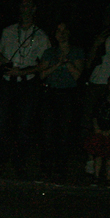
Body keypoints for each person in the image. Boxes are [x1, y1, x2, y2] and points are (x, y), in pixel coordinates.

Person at [0, 0, 51, 176]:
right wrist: (4, 64)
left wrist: (22, 72)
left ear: (34, 9)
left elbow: (44, 64)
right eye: (22, 5)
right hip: (8, 83)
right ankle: (1, 162)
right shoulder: (8, 31)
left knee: (24, 125)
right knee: (3, 123)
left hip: (28, 84)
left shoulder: (41, 35)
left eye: (28, 5)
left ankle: (19, 163)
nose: (25, 8)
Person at [37, 22, 84, 183]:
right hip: (51, 94)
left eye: (64, 31)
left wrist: (67, 62)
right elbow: (42, 75)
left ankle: (60, 170)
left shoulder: (76, 52)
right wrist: (57, 64)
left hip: (68, 96)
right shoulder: (49, 52)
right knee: (48, 133)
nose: (61, 34)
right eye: (58, 31)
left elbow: (78, 76)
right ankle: (45, 169)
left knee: (64, 134)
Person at [84, 71, 110, 187]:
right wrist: (97, 128)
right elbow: (95, 114)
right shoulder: (102, 99)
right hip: (100, 131)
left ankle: (108, 178)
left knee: (109, 157)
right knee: (98, 154)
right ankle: (96, 176)